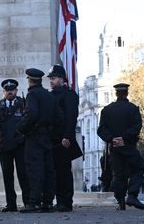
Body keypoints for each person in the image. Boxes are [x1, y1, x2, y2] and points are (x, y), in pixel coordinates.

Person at [0, 78, 30, 212]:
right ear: (3, 91)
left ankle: (28, 202)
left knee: (23, 174)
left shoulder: (23, 103)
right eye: (7, 90)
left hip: (20, 145)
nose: (10, 92)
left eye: (12, 90)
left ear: (16, 90)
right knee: (7, 176)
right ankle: (11, 204)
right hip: (4, 146)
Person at [97, 83, 144, 211]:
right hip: (129, 145)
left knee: (119, 174)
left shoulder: (107, 110)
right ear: (127, 93)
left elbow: (101, 129)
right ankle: (132, 194)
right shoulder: (133, 109)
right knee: (138, 167)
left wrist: (112, 139)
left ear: (116, 94)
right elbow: (137, 126)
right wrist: (124, 138)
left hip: (114, 147)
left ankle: (120, 201)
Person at [18, 68, 56, 213]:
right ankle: (47, 202)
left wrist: (21, 128)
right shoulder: (48, 95)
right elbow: (56, 116)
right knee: (48, 170)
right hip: (47, 136)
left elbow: (31, 114)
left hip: (34, 137)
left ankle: (34, 202)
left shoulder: (32, 94)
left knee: (34, 170)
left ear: (30, 80)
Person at [47, 64, 82, 212]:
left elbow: (71, 117)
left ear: (61, 79)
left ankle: (66, 201)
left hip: (63, 138)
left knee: (63, 172)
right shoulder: (51, 94)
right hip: (52, 139)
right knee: (55, 171)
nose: (51, 81)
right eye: (50, 78)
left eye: (53, 78)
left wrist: (67, 135)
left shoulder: (69, 94)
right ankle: (59, 200)